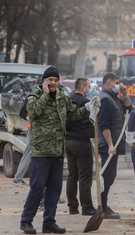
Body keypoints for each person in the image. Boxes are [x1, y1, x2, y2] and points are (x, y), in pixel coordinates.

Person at [20, 66, 97, 234]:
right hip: (41, 151)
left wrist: (89, 108)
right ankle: (26, 220)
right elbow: (33, 112)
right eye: (50, 80)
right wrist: (46, 94)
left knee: (55, 189)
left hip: (58, 151)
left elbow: (74, 114)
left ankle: (49, 222)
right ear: (44, 81)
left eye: (55, 80)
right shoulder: (35, 95)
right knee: (38, 187)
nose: (53, 83)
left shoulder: (62, 97)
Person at [97, 73, 133, 219]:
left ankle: (104, 205)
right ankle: (102, 207)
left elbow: (128, 109)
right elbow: (104, 125)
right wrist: (110, 145)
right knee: (106, 176)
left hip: (116, 143)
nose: (119, 84)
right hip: (108, 145)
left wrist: (125, 94)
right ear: (108, 83)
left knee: (110, 176)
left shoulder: (114, 98)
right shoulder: (105, 100)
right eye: (116, 83)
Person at [65, 78, 97, 216]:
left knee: (72, 175)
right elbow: (88, 123)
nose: (89, 89)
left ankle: (72, 207)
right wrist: (93, 136)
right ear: (83, 87)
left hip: (68, 141)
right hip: (81, 142)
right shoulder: (85, 102)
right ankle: (87, 206)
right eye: (88, 86)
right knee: (85, 175)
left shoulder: (68, 99)